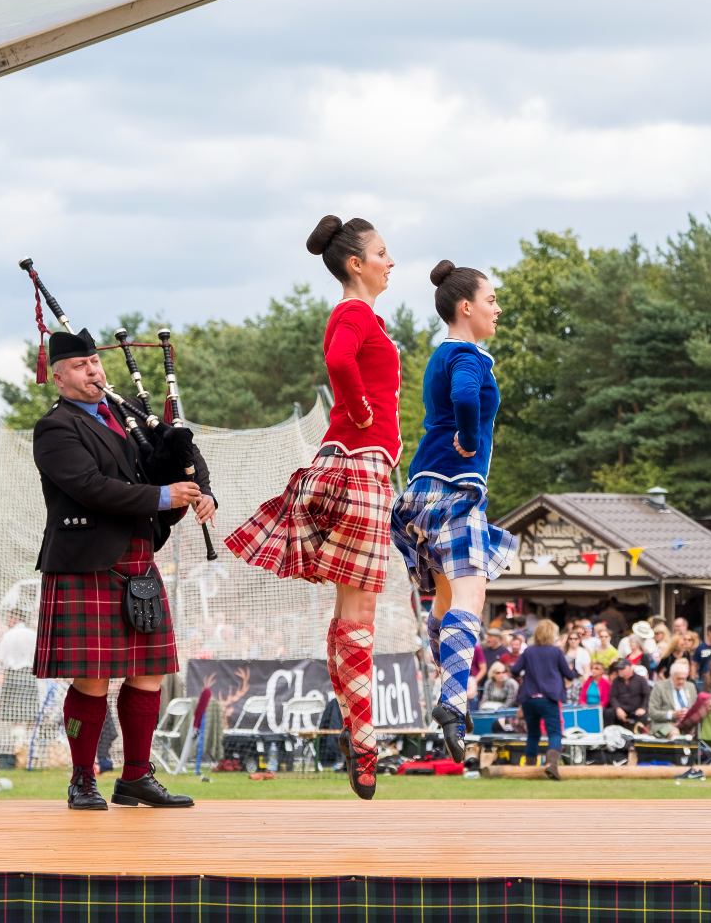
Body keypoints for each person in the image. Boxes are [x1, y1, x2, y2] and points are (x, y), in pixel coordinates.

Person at [227, 215, 400, 798]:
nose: (390, 261)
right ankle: (364, 742)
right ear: (356, 264)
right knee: (360, 614)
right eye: (382, 252)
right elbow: (338, 364)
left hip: (348, 465)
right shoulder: (353, 313)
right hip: (359, 465)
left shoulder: (362, 314)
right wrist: (362, 412)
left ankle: (361, 736)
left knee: (353, 612)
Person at [31, 328, 206, 810]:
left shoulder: (127, 414)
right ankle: (83, 779)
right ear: (58, 376)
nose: (94, 371)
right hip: (87, 562)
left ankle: (135, 778)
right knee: (92, 678)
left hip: (137, 557)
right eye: (82, 366)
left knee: (148, 673)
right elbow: (90, 486)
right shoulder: (56, 427)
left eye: (95, 362)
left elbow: (162, 465)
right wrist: (161, 496)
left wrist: (190, 482)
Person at [389, 262, 518, 764]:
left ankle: (447, 688)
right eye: (492, 300)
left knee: (445, 601)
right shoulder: (469, 356)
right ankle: (452, 700)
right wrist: (468, 434)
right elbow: (467, 396)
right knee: (472, 592)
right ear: (466, 307)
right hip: (453, 490)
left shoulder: (439, 355)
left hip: (422, 491)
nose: (497, 308)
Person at [508, 619, 576, 780]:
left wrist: (524, 677)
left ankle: (529, 768)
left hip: (529, 698)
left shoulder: (529, 651)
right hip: (549, 697)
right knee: (554, 732)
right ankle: (552, 764)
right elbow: (569, 674)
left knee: (533, 734)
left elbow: (515, 670)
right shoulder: (556, 652)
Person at [648, 659, 700, 737]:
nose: (681, 681)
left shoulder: (690, 686)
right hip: (664, 725)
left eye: (684, 679)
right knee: (674, 733)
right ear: (671, 676)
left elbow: (696, 708)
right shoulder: (659, 687)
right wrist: (672, 714)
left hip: (687, 724)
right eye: (678, 678)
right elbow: (652, 712)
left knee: (703, 729)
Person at [606, 658, 650, 731]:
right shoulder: (616, 681)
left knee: (644, 716)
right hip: (621, 709)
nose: (620, 671)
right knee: (608, 713)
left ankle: (639, 736)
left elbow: (646, 695)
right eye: (619, 669)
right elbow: (612, 697)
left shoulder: (640, 680)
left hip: (636, 710)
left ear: (629, 668)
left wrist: (643, 708)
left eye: (622, 668)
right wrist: (618, 708)